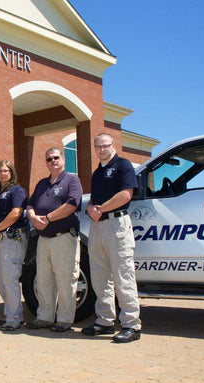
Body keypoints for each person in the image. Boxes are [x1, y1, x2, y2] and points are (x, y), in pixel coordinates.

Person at [82, 133, 141, 343]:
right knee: (100, 277)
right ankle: (105, 321)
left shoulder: (123, 165)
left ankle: (131, 325)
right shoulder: (97, 172)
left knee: (123, 276)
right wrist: (91, 208)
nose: (101, 149)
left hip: (117, 225)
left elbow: (126, 194)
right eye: (98, 146)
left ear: (112, 145)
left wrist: (100, 209)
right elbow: (94, 200)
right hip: (98, 227)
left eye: (105, 145)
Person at [25, 148, 83, 332]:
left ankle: (65, 320)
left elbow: (72, 204)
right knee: (43, 280)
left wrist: (48, 218)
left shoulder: (72, 180)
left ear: (63, 159)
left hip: (64, 237)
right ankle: (44, 317)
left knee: (65, 280)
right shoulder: (42, 183)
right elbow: (30, 205)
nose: (53, 161)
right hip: (43, 239)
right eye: (49, 159)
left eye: (56, 158)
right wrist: (34, 218)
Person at [0, 160, 28, 332]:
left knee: (10, 279)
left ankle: (13, 318)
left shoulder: (17, 190)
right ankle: (14, 313)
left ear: (11, 173)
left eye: (6, 171)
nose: (3, 173)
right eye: (0, 171)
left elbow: (16, 213)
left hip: (12, 238)